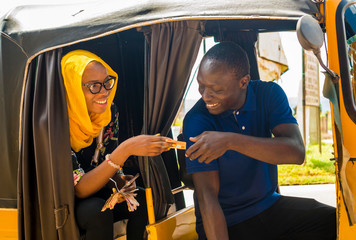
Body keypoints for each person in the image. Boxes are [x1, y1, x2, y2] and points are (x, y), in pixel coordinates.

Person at [183, 42, 336, 240]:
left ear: (243, 82)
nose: (205, 96)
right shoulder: (197, 120)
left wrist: (230, 141)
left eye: (216, 90)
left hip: (268, 206)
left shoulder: (269, 94)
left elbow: (296, 152)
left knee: (335, 222)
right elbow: (207, 197)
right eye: (201, 86)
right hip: (228, 221)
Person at [61, 50, 173, 240]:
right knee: (97, 211)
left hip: (99, 188)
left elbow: (109, 158)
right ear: (72, 88)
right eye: (94, 86)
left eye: (107, 83)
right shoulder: (58, 124)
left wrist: (119, 179)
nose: (105, 91)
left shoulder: (109, 112)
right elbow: (79, 189)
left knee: (143, 201)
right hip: (67, 199)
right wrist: (127, 149)